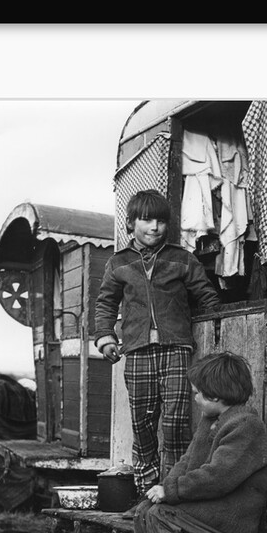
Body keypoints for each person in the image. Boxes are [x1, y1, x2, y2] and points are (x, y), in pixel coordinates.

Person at [93, 189, 221, 505]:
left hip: (176, 349)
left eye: (161, 221)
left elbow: (206, 295)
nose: (155, 227)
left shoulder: (182, 258)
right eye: (147, 220)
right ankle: (144, 490)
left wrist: (218, 327)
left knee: (176, 421)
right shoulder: (118, 263)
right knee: (142, 421)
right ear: (130, 225)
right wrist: (106, 337)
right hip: (136, 351)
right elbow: (105, 304)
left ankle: (173, 488)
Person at [124, 351, 267, 533]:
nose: (194, 399)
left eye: (198, 394)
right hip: (215, 506)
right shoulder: (211, 420)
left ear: (215, 397)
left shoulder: (245, 425)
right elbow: (188, 461)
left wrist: (172, 492)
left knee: (161, 516)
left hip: (234, 515)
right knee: (145, 510)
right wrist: (164, 489)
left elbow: (218, 477)